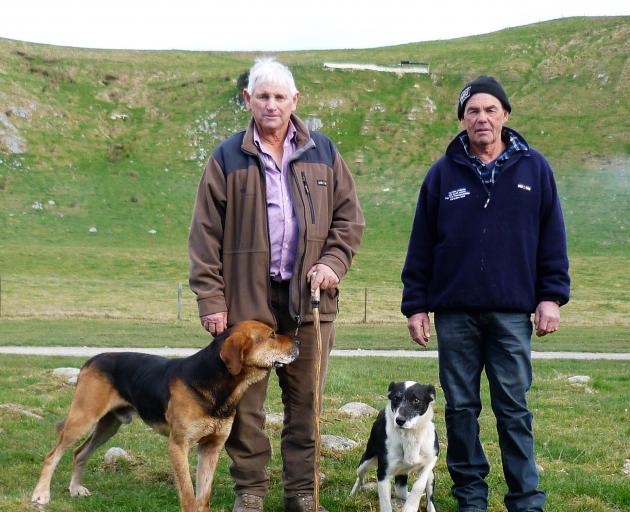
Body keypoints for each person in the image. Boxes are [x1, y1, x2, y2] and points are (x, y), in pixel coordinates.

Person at [188, 58, 364, 512]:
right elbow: (204, 234)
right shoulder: (227, 157)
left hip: (309, 302)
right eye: (262, 96)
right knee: (245, 405)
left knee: (306, 402)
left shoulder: (323, 152)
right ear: (247, 100)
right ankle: (249, 492)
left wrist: (332, 263)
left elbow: (349, 220)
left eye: (279, 96)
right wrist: (211, 298)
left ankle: (302, 495)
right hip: (247, 304)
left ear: (295, 101)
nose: (271, 104)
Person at [401, 76, 570, 512]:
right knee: (460, 411)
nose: (482, 118)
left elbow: (552, 237)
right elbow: (421, 245)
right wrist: (416, 305)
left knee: (513, 409)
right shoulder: (442, 175)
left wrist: (550, 296)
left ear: (506, 115)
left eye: (491, 109)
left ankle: (525, 500)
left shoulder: (535, 169)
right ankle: (470, 500)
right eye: (473, 111)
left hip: (513, 314)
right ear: (463, 119)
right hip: (455, 314)